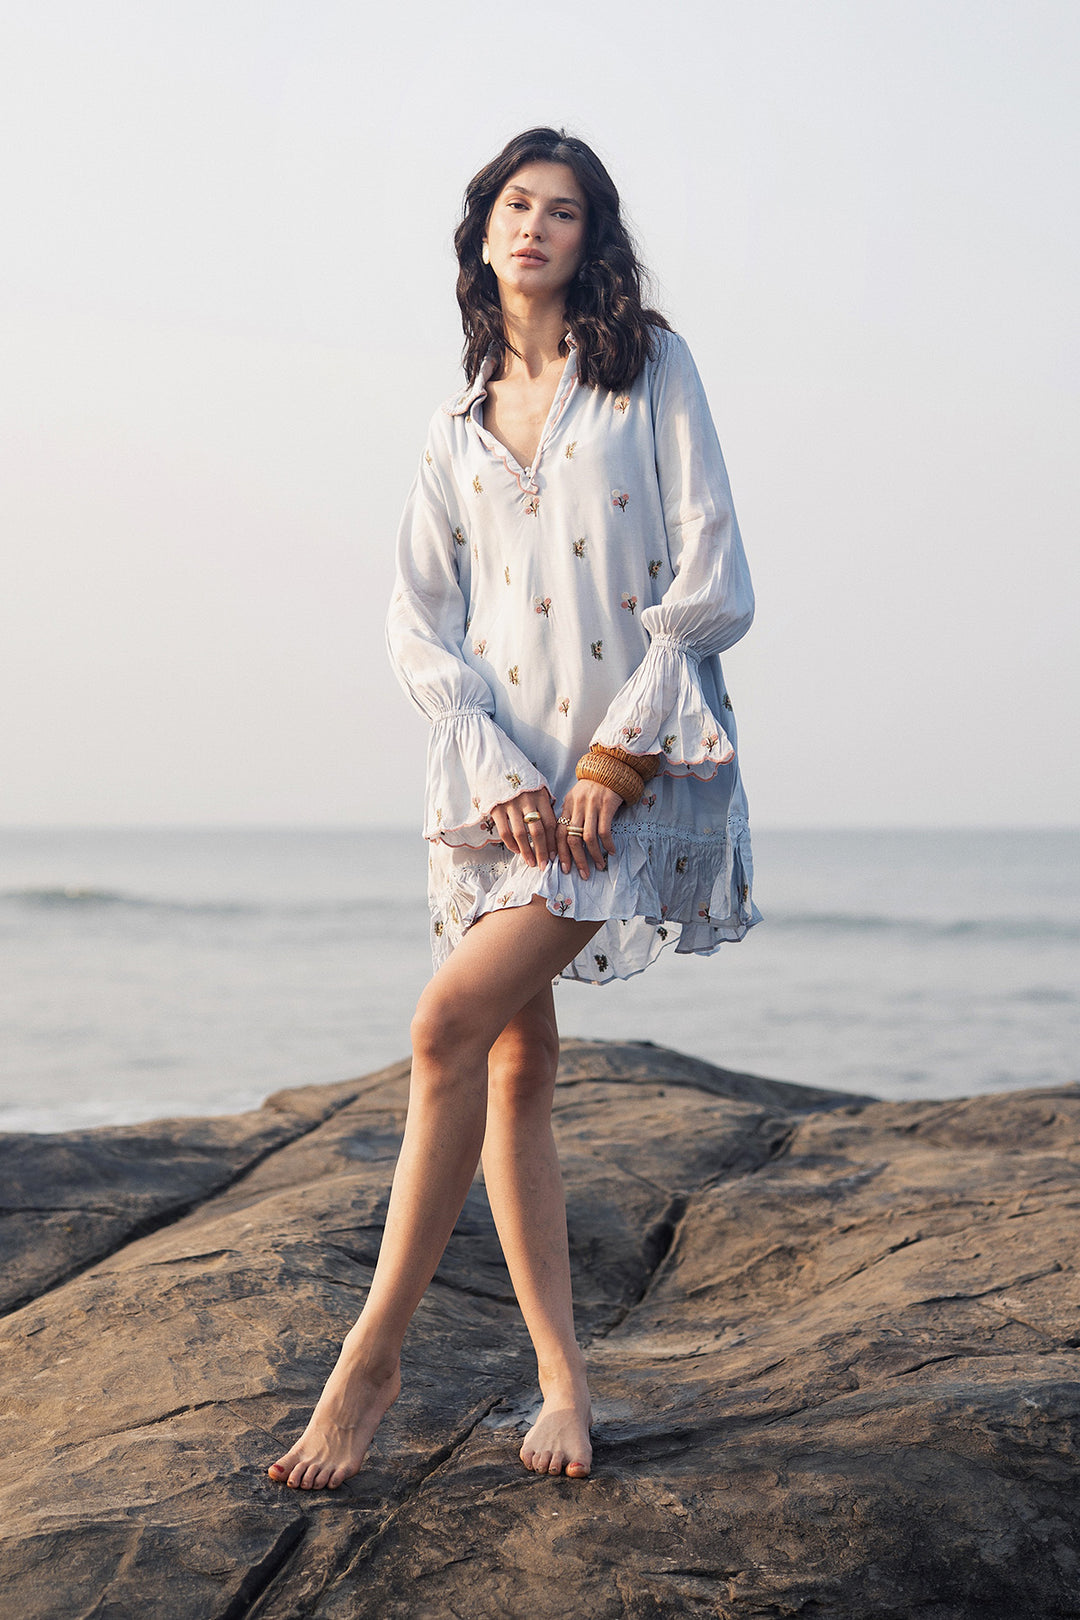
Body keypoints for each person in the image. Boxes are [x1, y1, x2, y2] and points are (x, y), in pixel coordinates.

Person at [268, 127, 757, 1492]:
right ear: (485, 234)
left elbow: (715, 572)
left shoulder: (649, 368)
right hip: (503, 789)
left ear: (593, 241)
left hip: (622, 775)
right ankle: (563, 1382)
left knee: (441, 1025)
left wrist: (615, 763)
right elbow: (418, 623)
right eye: (516, 206)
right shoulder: (453, 426)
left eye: (566, 211)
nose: (536, 227)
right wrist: (492, 762)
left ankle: (370, 1358)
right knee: (513, 1069)